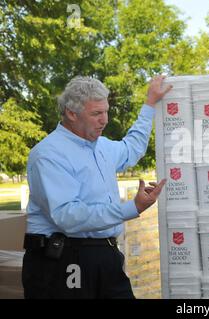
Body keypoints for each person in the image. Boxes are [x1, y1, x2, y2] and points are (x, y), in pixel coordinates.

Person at [22, 75, 171, 299]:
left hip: (105, 256)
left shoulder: (102, 147)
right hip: (63, 260)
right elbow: (68, 216)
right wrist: (132, 207)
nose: (105, 120)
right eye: (96, 114)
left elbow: (132, 148)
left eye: (106, 111)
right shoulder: (48, 154)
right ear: (72, 114)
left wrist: (150, 104)